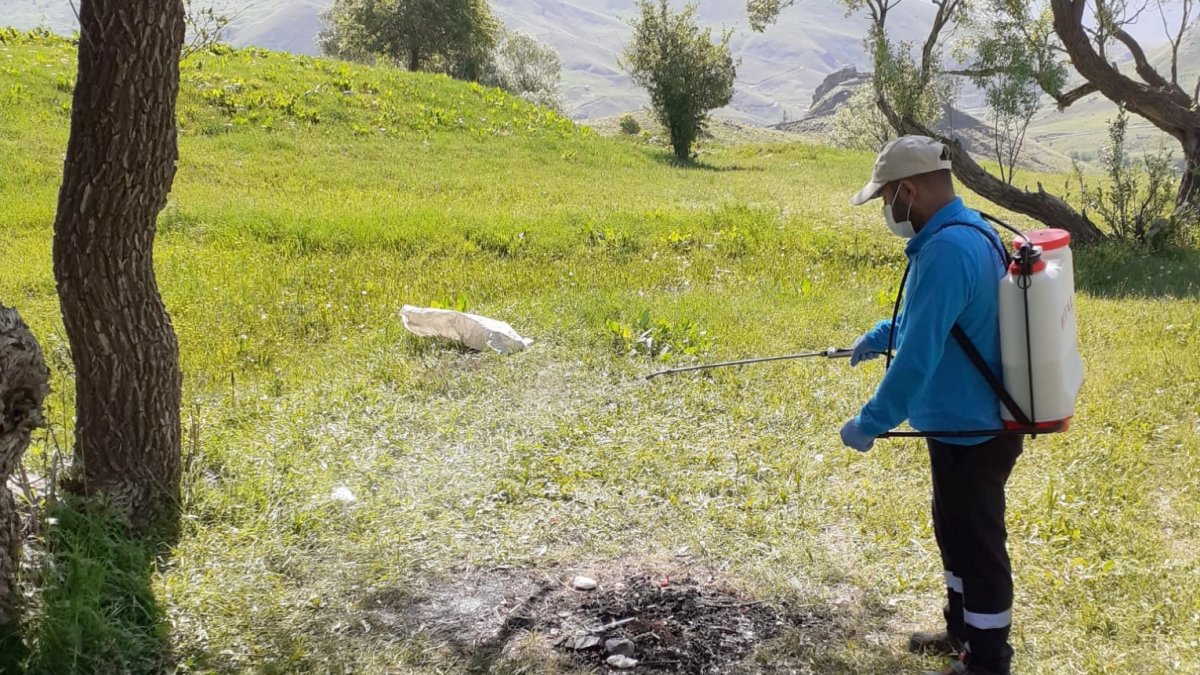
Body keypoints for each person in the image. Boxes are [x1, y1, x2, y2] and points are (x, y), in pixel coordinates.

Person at [838, 136, 1024, 675]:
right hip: (959, 424)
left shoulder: (947, 250)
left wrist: (870, 422)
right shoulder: (968, 231)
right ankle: (960, 631)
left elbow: (918, 359)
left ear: (908, 191)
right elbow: (938, 318)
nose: (885, 209)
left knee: (978, 546)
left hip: (974, 429)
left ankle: (987, 661)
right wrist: (883, 332)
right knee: (955, 532)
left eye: (885, 198)